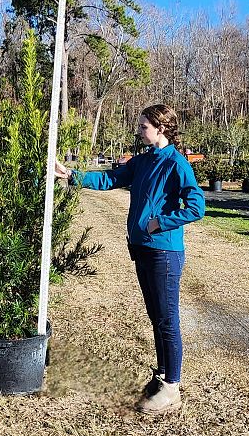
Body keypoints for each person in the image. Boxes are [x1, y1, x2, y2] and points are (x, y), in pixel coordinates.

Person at [54, 104, 205, 415]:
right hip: (142, 250)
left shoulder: (177, 164)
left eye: (144, 126)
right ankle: (163, 375)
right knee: (156, 317)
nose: (139, 130)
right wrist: (70, 175)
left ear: (161, 128)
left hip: (164, 253)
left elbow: (196, 207)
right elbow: (110, 178)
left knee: (167, 320)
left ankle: (172, 387)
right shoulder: (143, 161)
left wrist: (159, 222)